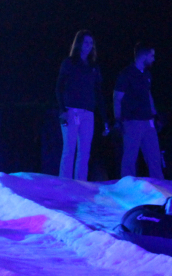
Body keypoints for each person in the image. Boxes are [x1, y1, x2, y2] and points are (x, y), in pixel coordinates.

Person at [56, 30, 108, 180]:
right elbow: (59, 87)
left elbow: (98, 93)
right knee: (69, 149)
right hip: (71, 111)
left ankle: (80, 185)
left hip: (88, 113)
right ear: (79, 44)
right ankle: (64, 185)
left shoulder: (94, 67)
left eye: (91, 43)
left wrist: (105, 119)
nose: (89, 46)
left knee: (85, 151)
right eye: (86, 42)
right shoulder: (69, 63)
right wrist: (62, 110)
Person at [114, 43, 163, 179]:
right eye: (152, 55)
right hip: (132, 122)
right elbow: (117, 98)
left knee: (154, 158)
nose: (154, 59)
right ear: (144, 56)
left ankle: (159, 188)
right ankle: (127, 188)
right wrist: (118, 120)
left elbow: (148, 94)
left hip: (148, 121)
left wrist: (155, 115)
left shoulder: (147, 74)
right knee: (130, 159)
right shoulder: (126, 74)